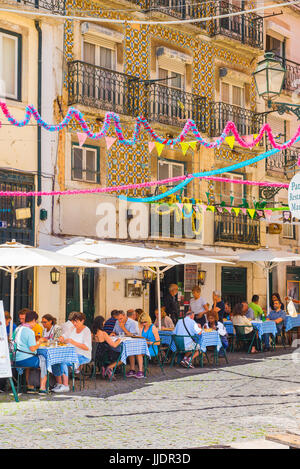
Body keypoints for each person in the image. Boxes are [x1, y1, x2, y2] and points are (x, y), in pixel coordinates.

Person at [52, 312, 92, 393]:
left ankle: (66, 385)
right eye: (73, 321)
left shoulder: (86, 330)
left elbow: (87, 347)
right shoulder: (72, 328)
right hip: (70, 354)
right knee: (55, 361)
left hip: (83, 355)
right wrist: (61, 338)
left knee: (63, 361)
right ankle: (59, 384)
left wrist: (73, 342)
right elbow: (65, 336)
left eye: (76, 321)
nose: (74, 323)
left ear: (82, 321)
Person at [14, 310, 48, 393]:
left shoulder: (18, 329)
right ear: (33, 320)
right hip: (26, 360)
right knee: (44, 360)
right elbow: (32, 348)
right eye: (36, 321)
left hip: (16, 359)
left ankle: (30, 386)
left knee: (36, 360)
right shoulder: (29, 331)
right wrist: (39, 342)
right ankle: (43, 388)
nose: (36, 324)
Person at [111, 310, 143, 378]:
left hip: (134, 343)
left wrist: (123, 327)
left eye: (121, 319)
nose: (119, 321)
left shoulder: (133, 323)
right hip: (122, 343)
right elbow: (114, 331)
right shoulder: (117, 322)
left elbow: (133, 335)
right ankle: (132, 370)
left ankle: (139, 371)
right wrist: (113, 333)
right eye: (118, 319)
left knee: (133, 351)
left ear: (125, 316)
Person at [92, 316, 123, 380]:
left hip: (95, 355)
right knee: (123, 357)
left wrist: (108, 336)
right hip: (105, 355)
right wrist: (119, 339)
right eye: (104, 323)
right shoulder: (103, 333)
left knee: (110, 354)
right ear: (101, 324)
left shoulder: (92, 333)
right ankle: (109, 367)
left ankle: (104, 368)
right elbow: (114, 345)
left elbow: (100, 341)